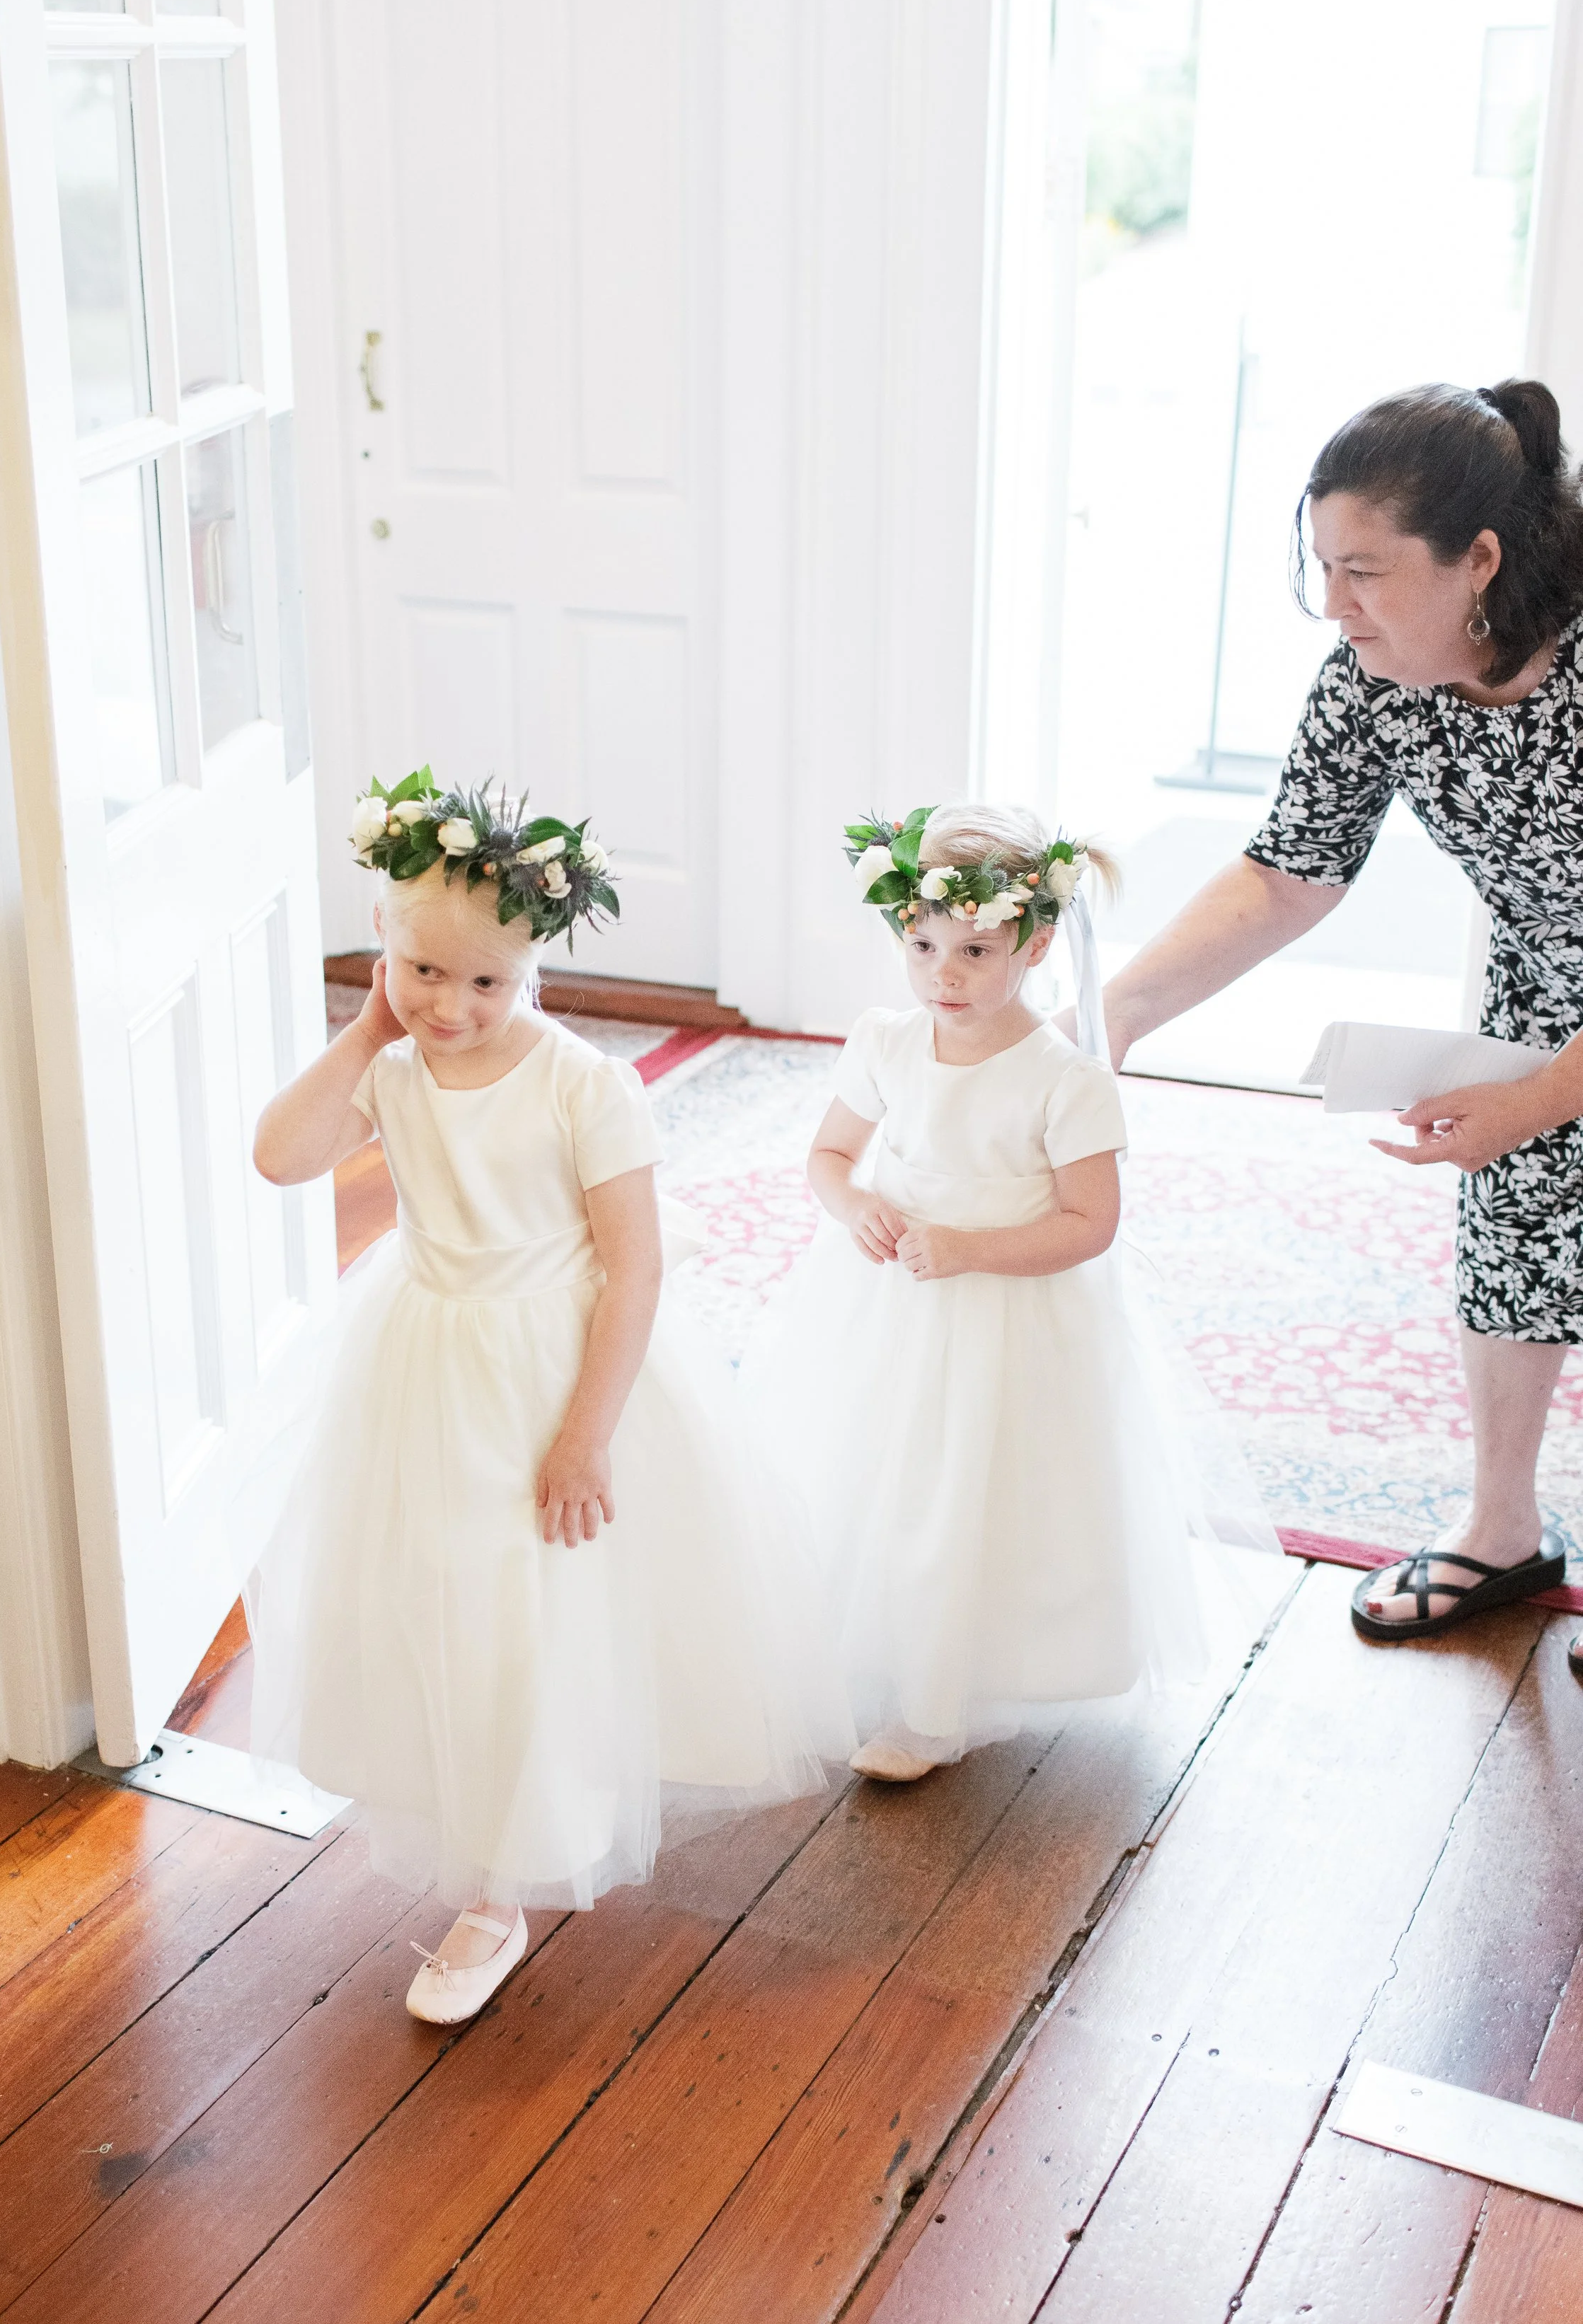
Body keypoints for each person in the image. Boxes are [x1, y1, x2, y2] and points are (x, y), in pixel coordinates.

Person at [243, 769, 850, 2025]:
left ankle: (507, 1876)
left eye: (485, 982)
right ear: (384, 955)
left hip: (553, 1364)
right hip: (424, 1355)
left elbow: (635, 1267)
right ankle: (477, 1829)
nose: (449, 1006)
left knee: (540, 1601)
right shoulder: (391, 1061)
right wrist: (363, 1036)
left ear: (532, 973)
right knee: (446, 1591)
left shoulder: (583, 1084)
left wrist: (586, 1432)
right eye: (421, 972)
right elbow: (279, 1157)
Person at [1095, 378, 1583, 1653]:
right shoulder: (1372, 683)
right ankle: (1502, 1533)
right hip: (1549, 981)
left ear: (1479, 558)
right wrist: (1115, 1013)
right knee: (1516, 1239)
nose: (1335, 603)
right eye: (1321, 566)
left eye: (1363, 570)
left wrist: (1533, 1099)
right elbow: (1287, 871)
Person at [739, 802, 1272, 1781]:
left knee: (973, 1489)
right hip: (889, 1304)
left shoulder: (1066, 1081)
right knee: (880, 1471)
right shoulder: (887, 1042)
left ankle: (942, 1700)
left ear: (1031, 944)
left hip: (1006, 1310)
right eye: (924, 944)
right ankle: (871, 1646)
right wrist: (851, 1203)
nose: (944, 973)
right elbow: (828, 1154)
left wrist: (973, 1249)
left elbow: (1089, 1224)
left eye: (976, 951)